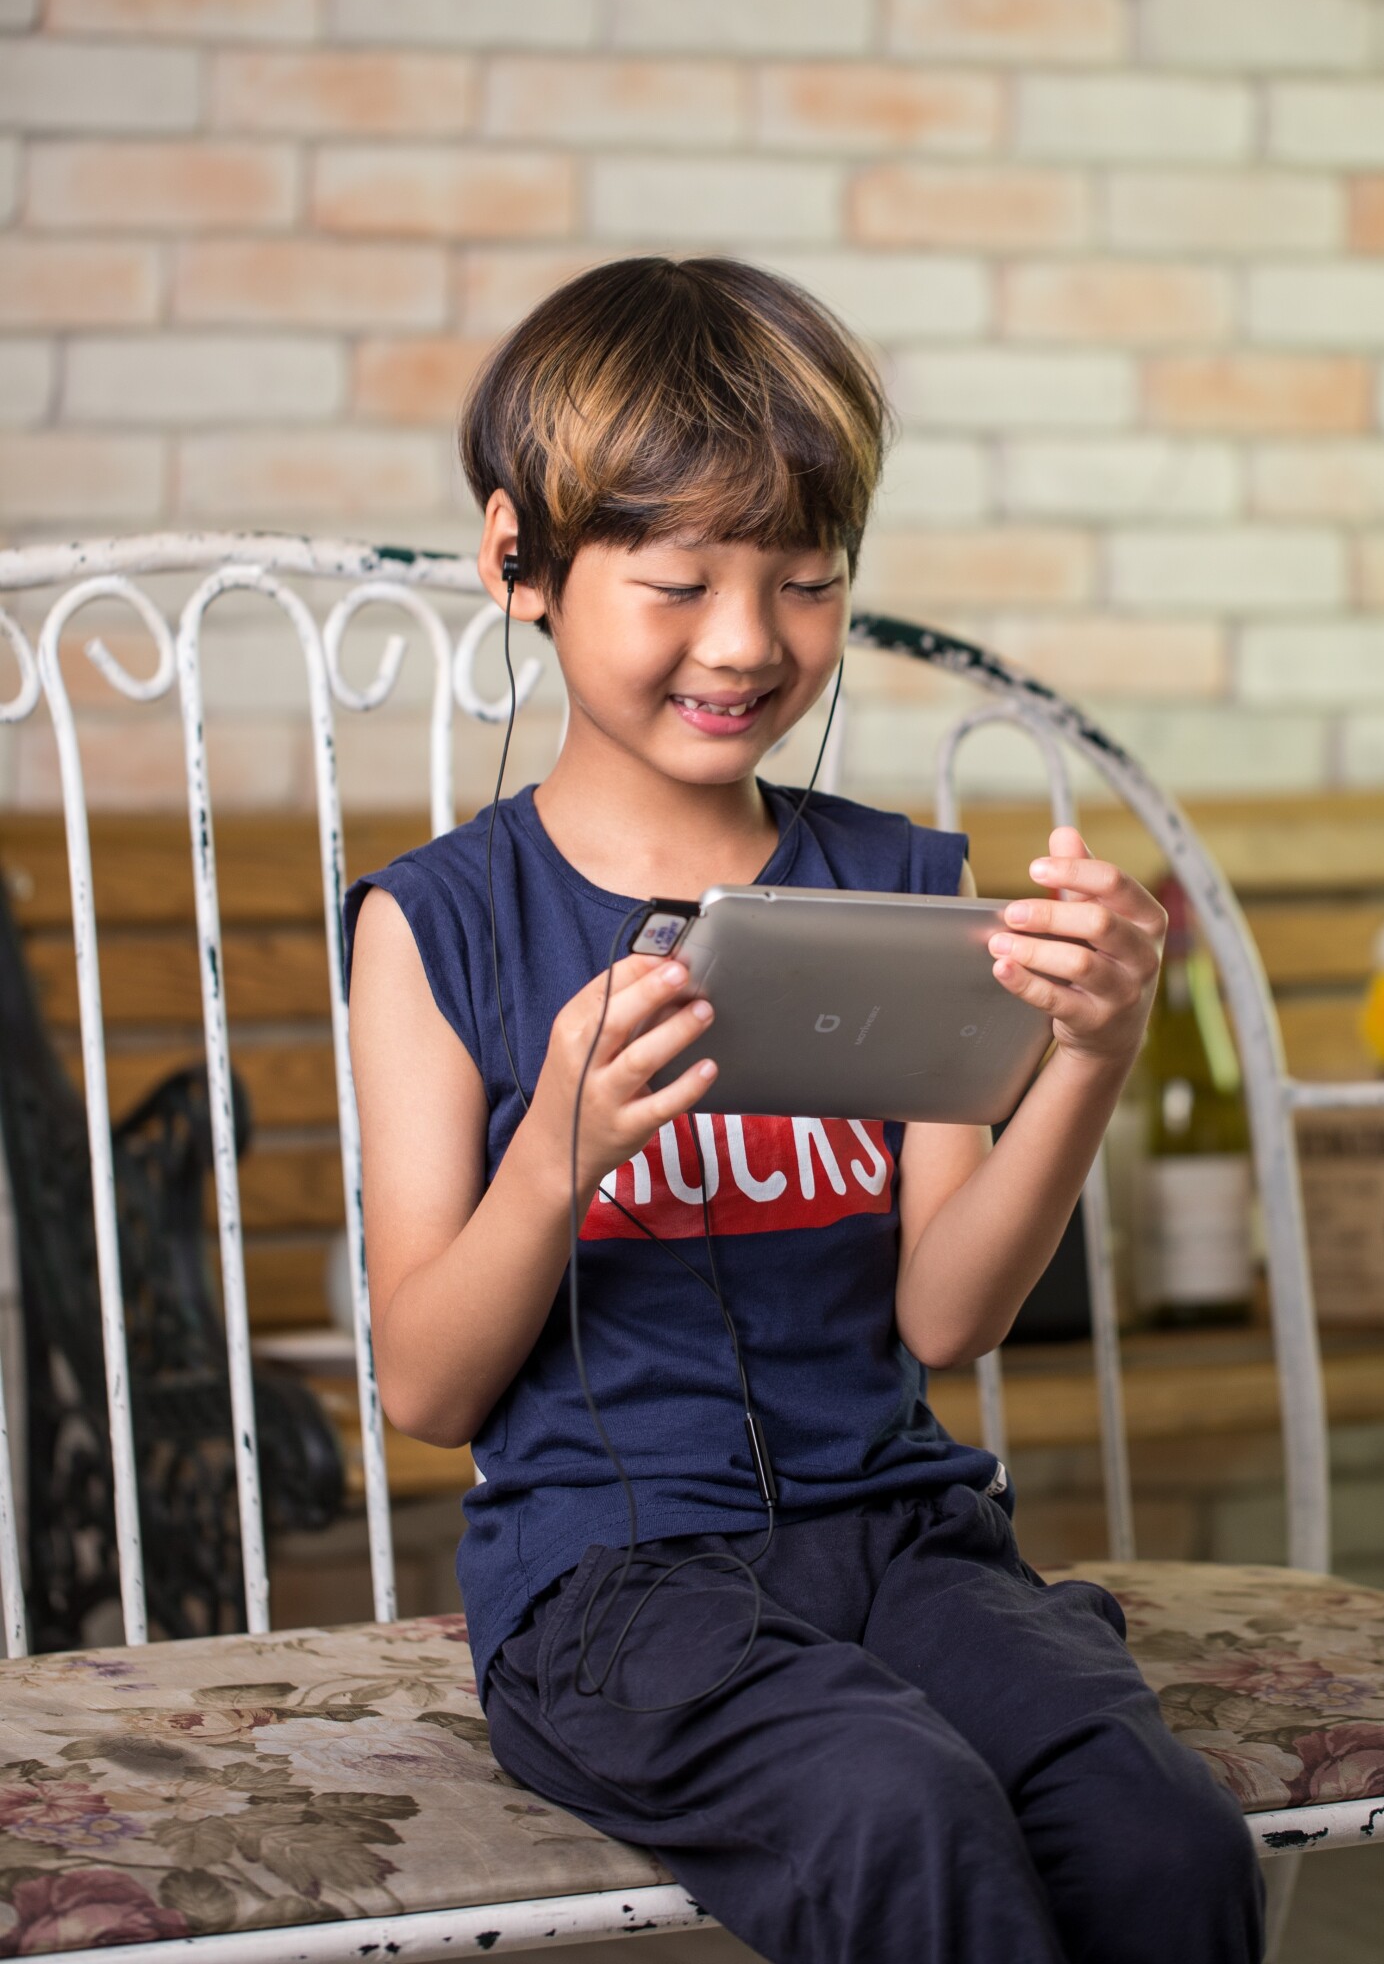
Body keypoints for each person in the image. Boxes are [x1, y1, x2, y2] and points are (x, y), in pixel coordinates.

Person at [343, 254, 1263, 1964]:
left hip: (910, 1541)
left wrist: (1089, 1055)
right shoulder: (442, 926)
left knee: (1162, 1837)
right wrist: (556, 1152)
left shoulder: (899, 892)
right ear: (516, 561)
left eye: (807, 582)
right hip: (610, 1588)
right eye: (678, 581)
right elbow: (428, 1387)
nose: (748, 641)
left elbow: (946, 1316)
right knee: (899, 1811)